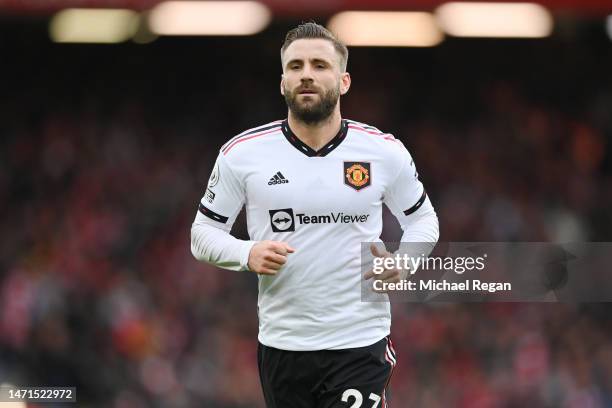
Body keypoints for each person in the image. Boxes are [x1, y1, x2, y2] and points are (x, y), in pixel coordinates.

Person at [191, 22, 439, 408]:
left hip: (359, 343)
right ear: (282, 82)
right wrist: (246, 254)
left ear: (344, 81)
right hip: (283, 346)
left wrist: (405, 261)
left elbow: (424, 220)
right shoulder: (242, 154)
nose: (306, 74)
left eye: (320, 65)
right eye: (296, 66)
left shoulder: (383, 151)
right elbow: (202, 233)